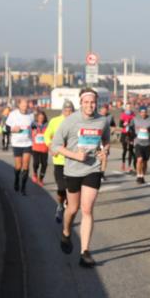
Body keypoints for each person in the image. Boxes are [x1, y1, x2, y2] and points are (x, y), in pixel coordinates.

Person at [51, 89, 111, 268]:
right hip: (72, 170)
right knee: (73, 208)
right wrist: (74, 156)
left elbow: (106, 140)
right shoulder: (70, 121)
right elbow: (55, 146)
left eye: (92, 102)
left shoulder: (102, 121)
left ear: (96, 103)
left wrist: (104, 150)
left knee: (87, 209)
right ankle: (66, 231)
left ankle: (85, 252)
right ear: (80, 103)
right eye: (86, 102)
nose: (90, 105)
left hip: (92, 168)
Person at [44, 99, 74, 222]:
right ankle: (60, 205)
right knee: (61, 188)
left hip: (73, 161)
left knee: (71, 189)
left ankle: (68, 210)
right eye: (66, 110)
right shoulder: (55, 121)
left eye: (70, 110)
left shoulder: (77, 122)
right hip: (59, 160)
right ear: (63, 110)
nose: (68, 112)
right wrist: (50, 146)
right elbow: (47, 135)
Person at [6, 98, 35, 195]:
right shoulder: (13, 114)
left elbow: (33, 126)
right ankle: (16, 179)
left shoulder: (31, 115)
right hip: (17, 143)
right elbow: (7, 128)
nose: (25, 107)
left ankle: (23, 187)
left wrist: (34, 132)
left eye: (26, 105)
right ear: (19, 105)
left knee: (26, 165)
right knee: (18, 166)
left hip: (28, 143)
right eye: (23, 105)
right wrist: (13, 130)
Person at [131, 105, 150, 184]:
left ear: (146, 112)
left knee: (145, 162)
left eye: (145, 112)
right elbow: (130, 128)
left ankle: (143, 175)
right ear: (139, 113)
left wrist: (149, 129)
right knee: (139, 159)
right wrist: (131, 137)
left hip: (147, 143)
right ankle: (139, 175)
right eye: (142, 112)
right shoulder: (135, 119)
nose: (143, 114)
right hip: (138, 142)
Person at [30, 110, 50, 186]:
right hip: (35, 148)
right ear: (37, 118)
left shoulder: (47, 125)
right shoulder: (33, 124)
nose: (41, 119)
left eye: (42, 117)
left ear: (44, 118)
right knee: (36, 163)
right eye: (39, 117)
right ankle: (35, 173)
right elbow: (30, 133)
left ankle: (41, 179)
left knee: (44, 164)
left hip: (44, 148)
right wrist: (33, 133)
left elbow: (51, 134)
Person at [119, 103, 135, 173]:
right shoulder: (123, 115)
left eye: (130, 107)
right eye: (127, 107)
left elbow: (135, 124)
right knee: (125, 150)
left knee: (131, 150)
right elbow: (120, 125)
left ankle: (129, 166)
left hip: (131, 134)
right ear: (125, 108)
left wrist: (131, 125)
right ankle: (123, 164)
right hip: (124, 133)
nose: (129, 108)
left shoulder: (133, 115)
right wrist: (124, 124)